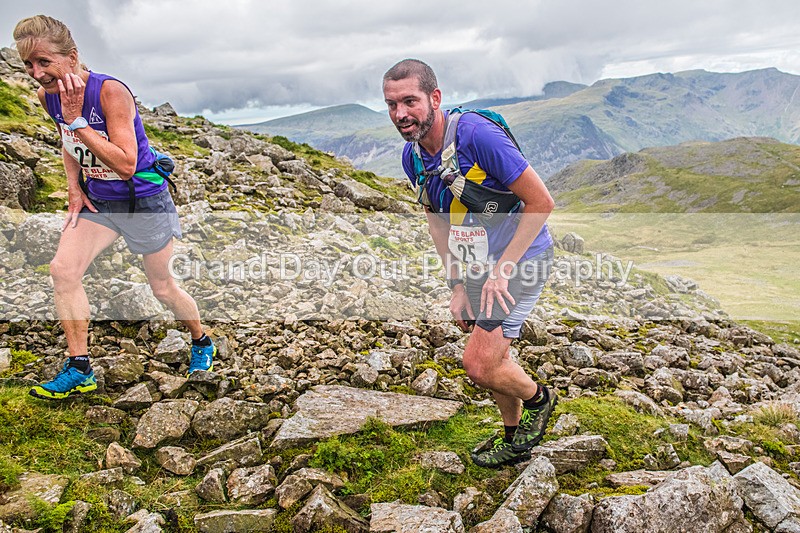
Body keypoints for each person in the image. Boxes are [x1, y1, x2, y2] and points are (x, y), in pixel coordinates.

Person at [13, 15, 215, 400]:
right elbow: (68, 142)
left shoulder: (110, 92)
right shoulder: (47, 95)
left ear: (72, 57)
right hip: (99, 201)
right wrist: (74, 187)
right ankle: (79, 368)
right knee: (63, 271)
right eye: (28, 64)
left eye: (44, 62)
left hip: (143, 200)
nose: (37, 73)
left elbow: (125, 164)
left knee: (162, 288)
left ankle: (201, 340)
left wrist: (78, 121)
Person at [383, 59, 557, 467]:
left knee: (478, 364)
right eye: (391, 104)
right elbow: (436, 221)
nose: (401, 114)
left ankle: (540, 401)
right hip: (477, 266)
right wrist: (457, 285)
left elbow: (541, 202)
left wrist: (503, 271)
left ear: (435, 98)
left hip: (522, 259)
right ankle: (513, 438)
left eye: (410, 101)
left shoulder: (478, 136)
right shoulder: (413, 157)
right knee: (494, 356)